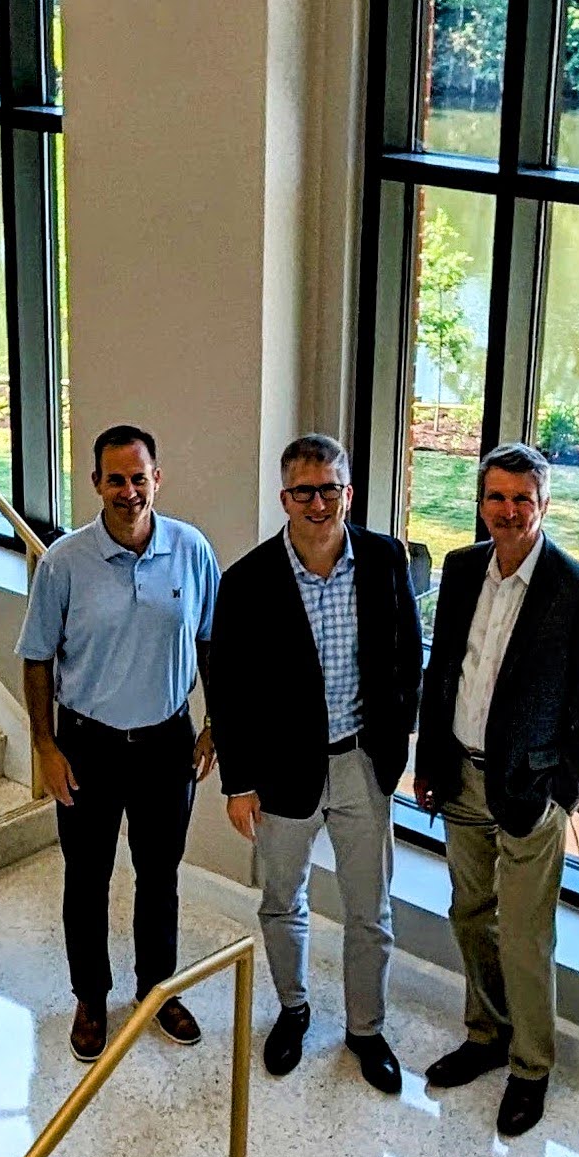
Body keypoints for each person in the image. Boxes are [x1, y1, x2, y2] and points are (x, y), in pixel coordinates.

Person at [411, 442, 579, 1137]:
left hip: (530, 795)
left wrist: (561, 792)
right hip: (461, 779)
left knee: (525, 938)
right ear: (481, 503)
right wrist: (430, 762)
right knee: (469, 916)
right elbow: (443, 671)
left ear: (543, 505)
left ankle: (531, 1068)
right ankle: (485, 1035)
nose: (507, 511)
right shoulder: (463, 567)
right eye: (496, 498)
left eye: (520, 499)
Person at [211, 434, 424, 1093]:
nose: (317, 502)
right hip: (279, 772)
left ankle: (365, 1030)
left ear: (348, 493)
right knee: (282, 900)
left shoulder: (387, 561)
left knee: (370, 909)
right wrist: (238, 783)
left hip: (362, 762)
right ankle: (294, 1009)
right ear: (284, 499)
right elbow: (229, 687)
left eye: (329, 488)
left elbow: (408, 661)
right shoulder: (246, 581)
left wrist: (398, 749)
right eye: (303, 491)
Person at [18, 424, 221, 1064]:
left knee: (159, 876)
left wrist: (218, 724)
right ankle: (89, 996)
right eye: (116, 479)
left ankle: (157, 990)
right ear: (96, 483)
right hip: (87, 748)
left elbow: (214, 641)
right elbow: (37, 660)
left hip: (167, 745)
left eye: (139, 478)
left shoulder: (191, 550)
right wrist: (45, 749)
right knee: (88, 878)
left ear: (156, 479)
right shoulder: (63, 563)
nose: (128, 491)